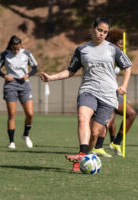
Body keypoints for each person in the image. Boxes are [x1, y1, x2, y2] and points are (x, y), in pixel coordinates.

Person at [39, 16, 132, 171]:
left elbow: (128, 66)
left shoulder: (112, 49)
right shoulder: (82, 50)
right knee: (83, 117)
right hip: (88, 90)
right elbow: (70, 71)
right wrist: (51, 78)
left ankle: (82, 159)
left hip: (108, 95)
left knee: (95, 133)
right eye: (99, 30)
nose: (102, 34)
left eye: (105, 32)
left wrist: (124, 85)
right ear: (93, 28)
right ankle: (82, 154)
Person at [90, 29, 136, 157]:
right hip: (104, 93)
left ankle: (115, 142)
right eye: (120, 44)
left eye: (123, 44)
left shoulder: (118, 55)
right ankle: (98, 146)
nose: (122, 46)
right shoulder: (105, 54)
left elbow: (127, 69)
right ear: (113, 43)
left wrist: (122, 86)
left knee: (130, 114)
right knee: (108, 119)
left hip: (114, 93)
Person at [0, 35, 38, 149]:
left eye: (18, 48)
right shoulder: (5, 54)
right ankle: (12, 142)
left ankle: (25, 135)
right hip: (11, 85)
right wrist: (5, 76)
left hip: (24, 85)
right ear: (11, 46)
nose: (17, 50)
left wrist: (28, 74)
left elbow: (35, 68)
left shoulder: (27, 53)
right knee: (12, 114)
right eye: (15, 48)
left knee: (30, 114)